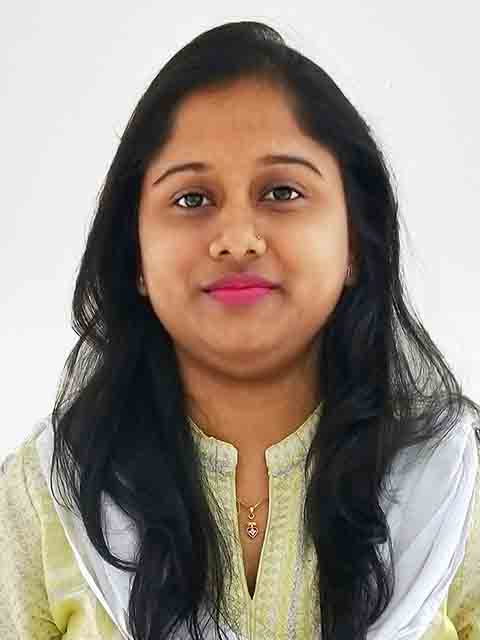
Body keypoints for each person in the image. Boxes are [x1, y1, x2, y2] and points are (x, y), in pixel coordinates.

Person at [1, 19, 480, 640]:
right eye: (191, 199)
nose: (236, 239)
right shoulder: (45, 501)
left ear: (356, 245)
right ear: (136, 257)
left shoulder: (453, 490)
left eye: (280, 192)